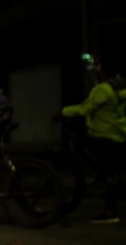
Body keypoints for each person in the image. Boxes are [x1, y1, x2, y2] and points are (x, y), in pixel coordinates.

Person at [52, 54, 126, 223]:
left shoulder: (103, 89)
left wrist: (62, 112)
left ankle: (110, 212)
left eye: (98, 66)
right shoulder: (121, 87)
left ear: (104, 69)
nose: (96, 70)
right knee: (111, 172)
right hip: (118, 133)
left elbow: (85, 109)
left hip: (103, 134)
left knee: (107, 173)